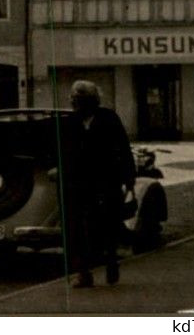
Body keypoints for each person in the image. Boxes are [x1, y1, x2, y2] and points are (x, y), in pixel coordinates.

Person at [60, 79, 136, 288]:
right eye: (73, 98)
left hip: (107, 181)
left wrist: (129, 180)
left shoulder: (109, 118)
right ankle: (84, 273)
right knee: (78, 229)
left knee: (107, 225)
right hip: (79, 183)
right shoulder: (70, 121)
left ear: (91, 100)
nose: (74, 102)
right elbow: (63, 151)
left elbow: (123, 148)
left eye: (78, 98)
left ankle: (111, 261)